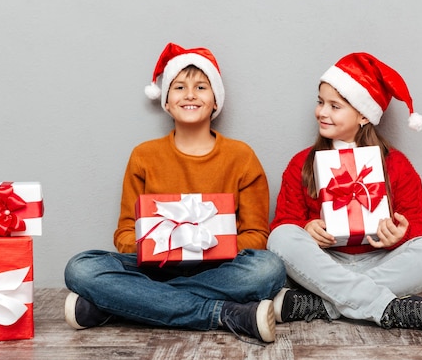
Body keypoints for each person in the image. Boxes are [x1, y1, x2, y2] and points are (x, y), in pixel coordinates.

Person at [64, 43, 285, 344]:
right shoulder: (144, 155)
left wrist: (210, 245)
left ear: (215, 100)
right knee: (81, 268)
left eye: (201, 87)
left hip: (219, 269)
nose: (190, 94)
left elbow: (257, 234)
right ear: (166, 101)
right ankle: (223, 313)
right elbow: (125, 232)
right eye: (179, 87)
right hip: (155, 269)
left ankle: (120, 305)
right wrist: (161, 246)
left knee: (268, 270)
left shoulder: (241, 156)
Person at [268, 52, 422, 334]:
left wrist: (400, 234)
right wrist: (305, 228)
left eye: (335, 106)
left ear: (364, 114)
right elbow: (283, 222)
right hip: (326, 262)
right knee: (280, 238)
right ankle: (389, 308)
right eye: (320, 102)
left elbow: (420, 226)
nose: (322, 112)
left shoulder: (396, 165)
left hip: (380, 261)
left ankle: (321, 305)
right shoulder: (301, 163)